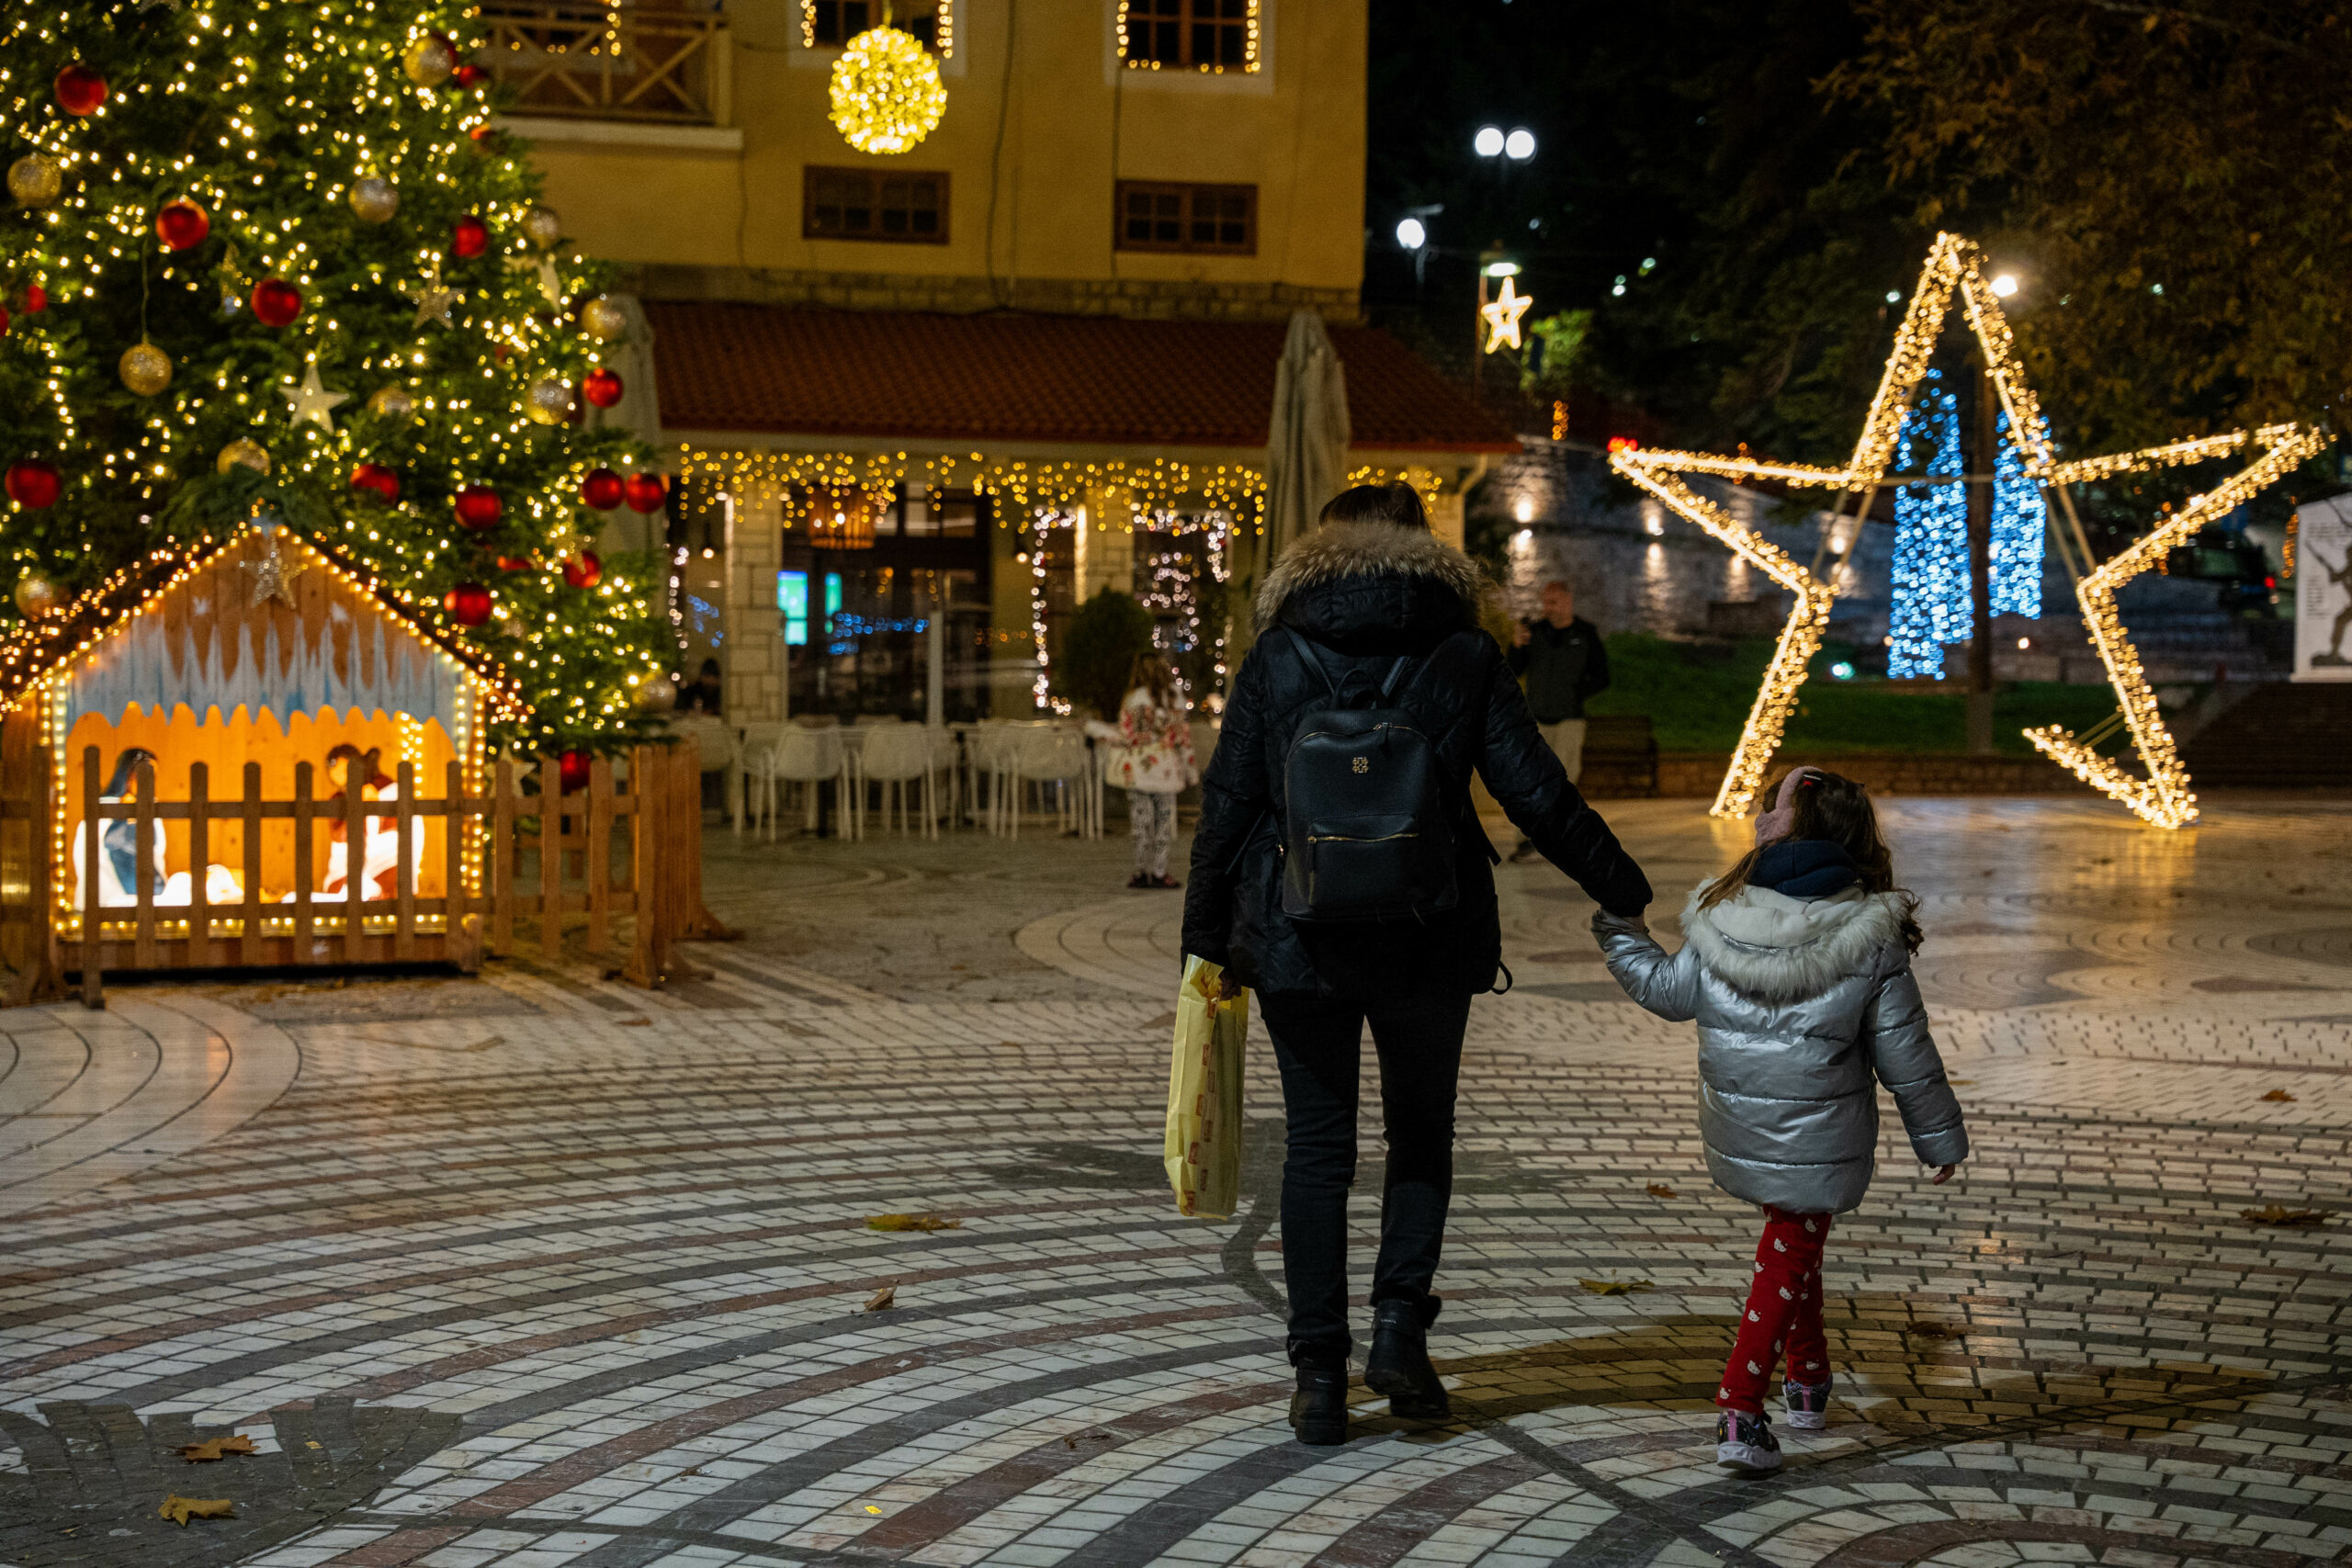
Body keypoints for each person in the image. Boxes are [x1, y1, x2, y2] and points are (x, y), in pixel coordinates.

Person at [1184, 481, 1652, 1448]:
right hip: (1428, 936)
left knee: (1317, 1149)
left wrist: (1203, 942)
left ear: (1323, 549)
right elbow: (1536, 794)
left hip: (1299, 936)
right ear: (1423, 551)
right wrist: (1622, 885)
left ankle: (1319, 1374)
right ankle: (1400, 1332)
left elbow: (1227, 803)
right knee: (1420, 1136)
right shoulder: (1464, 651)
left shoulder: (1277, 653)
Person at [1591, 767, 1968, 1473]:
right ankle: (1740, 1408)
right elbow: (1905, 1050)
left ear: (1799, 828)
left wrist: (1618, 930)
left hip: (1740, 1124)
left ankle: (1809, 1377)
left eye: (1774, 807)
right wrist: (1937, 1134)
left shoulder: (1721, 912)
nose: (1760, 818)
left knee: (1796, 1241)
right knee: (1791, 1246)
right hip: (1822, 1134)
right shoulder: (1870, 931)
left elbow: (1665, 989)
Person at [1506, 581, 1610, 862]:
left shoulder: (1585, 633)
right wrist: (1516, 645)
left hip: (1569, 720)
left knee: (1564, 782)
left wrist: (1575, 693)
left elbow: (1602, 676)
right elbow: (1513, 669)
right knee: (1529, 779)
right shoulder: (1535, 631)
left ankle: (1560, 837)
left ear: (1568, 601)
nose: (1548, 607)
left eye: (1553, 602)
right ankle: (1526, 839)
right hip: (1536, 720)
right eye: (1545, 602)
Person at [1085, 649, 1197, 890]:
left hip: (1137, 768)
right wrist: (1191, 770)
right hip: (1166, 769)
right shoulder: (1174, 698)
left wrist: (1096, 730)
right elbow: (1182, 739)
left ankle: (1140, 871)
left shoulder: (1133, 699)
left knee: (1140, 822)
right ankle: (1159, 872)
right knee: (1163, 823)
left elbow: (1126, 737)